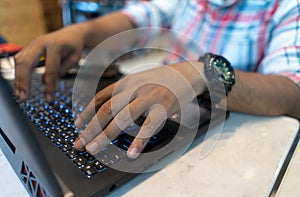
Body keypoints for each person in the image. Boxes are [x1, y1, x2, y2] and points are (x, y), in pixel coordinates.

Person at [14, 0, 300, 159]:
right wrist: (82, 32)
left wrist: (197, 74)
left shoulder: (287, 6)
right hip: (160, 116)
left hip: (225, 144)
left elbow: (291, 92)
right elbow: (142, 16)